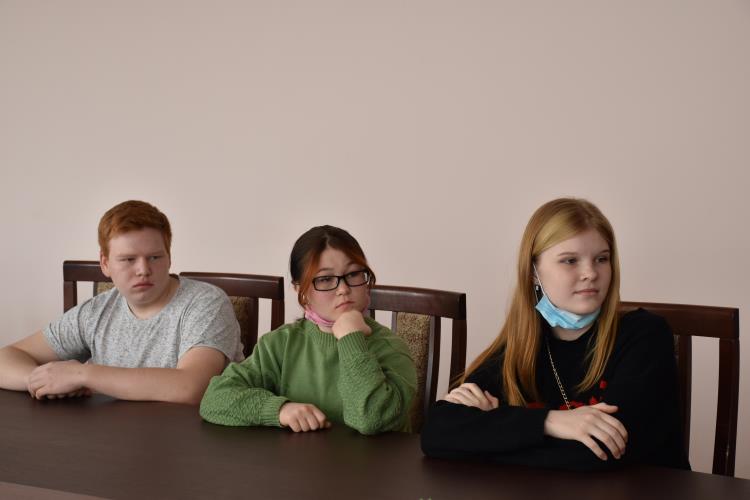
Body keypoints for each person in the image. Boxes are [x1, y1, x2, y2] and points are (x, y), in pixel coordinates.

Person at [421, 198, 689, 471]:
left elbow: (600, 453)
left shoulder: (646, 335)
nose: (590, 273)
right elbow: (437, 433)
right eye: (570, 260)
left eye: (601, 259)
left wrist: (492, 430)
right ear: (533, 273)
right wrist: (551, 422)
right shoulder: (523, 346)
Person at [0, 200, 242, 404]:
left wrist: (83, 374)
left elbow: (192, 387)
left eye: (155, 257)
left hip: (188, 439)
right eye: (128, 259)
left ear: (169, 257)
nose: (143, 270)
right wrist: (40, 380)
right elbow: (7, 357)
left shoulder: (206, 303)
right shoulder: (95, 312)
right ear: (105, 264)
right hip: (107, 438)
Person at [200, 225, 417, 435]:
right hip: (297, 460)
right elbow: (215, 398)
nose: (343, 289)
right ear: (300, 290)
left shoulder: (391, 348)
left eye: (353, 274)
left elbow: (370, 419)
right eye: (325, 279)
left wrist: (351, 338)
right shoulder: (280, 344)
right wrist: (279, 410)